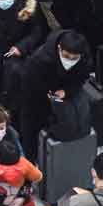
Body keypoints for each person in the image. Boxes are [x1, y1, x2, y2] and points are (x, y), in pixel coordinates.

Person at [19, 29, 91, 160]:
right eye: (67, 56)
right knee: (31, 131)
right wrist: (45, 95)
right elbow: (28, 86)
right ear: (59, 48)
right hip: (35, 97)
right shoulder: (38, 60)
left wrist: (67, 91)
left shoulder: (84, 57)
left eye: (74, 58)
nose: (70, 61)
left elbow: (81, 78)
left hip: (61, 96)